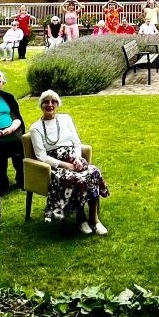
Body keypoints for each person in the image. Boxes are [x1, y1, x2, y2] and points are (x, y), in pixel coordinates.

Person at [29, 90, 109, 235]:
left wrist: (77, 159)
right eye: (46, 102)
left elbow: (77, 142)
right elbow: (41, 156)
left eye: (53, 101)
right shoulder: (36, 128)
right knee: (75, 178)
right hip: (56, 165)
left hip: (75, 159)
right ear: (41, 105)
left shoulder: (66, 119)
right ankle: (81, 219)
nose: (50, 105)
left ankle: (95, 219)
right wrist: (65, 165)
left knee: (94, 172)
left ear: (58, 104)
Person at [0, 70, 25, 195]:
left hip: (11, 129)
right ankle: (3, 180)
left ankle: (21, 178)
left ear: (3, 83)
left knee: (19, 143)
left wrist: (11, 129)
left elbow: (17, 117)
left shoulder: (8, 97)